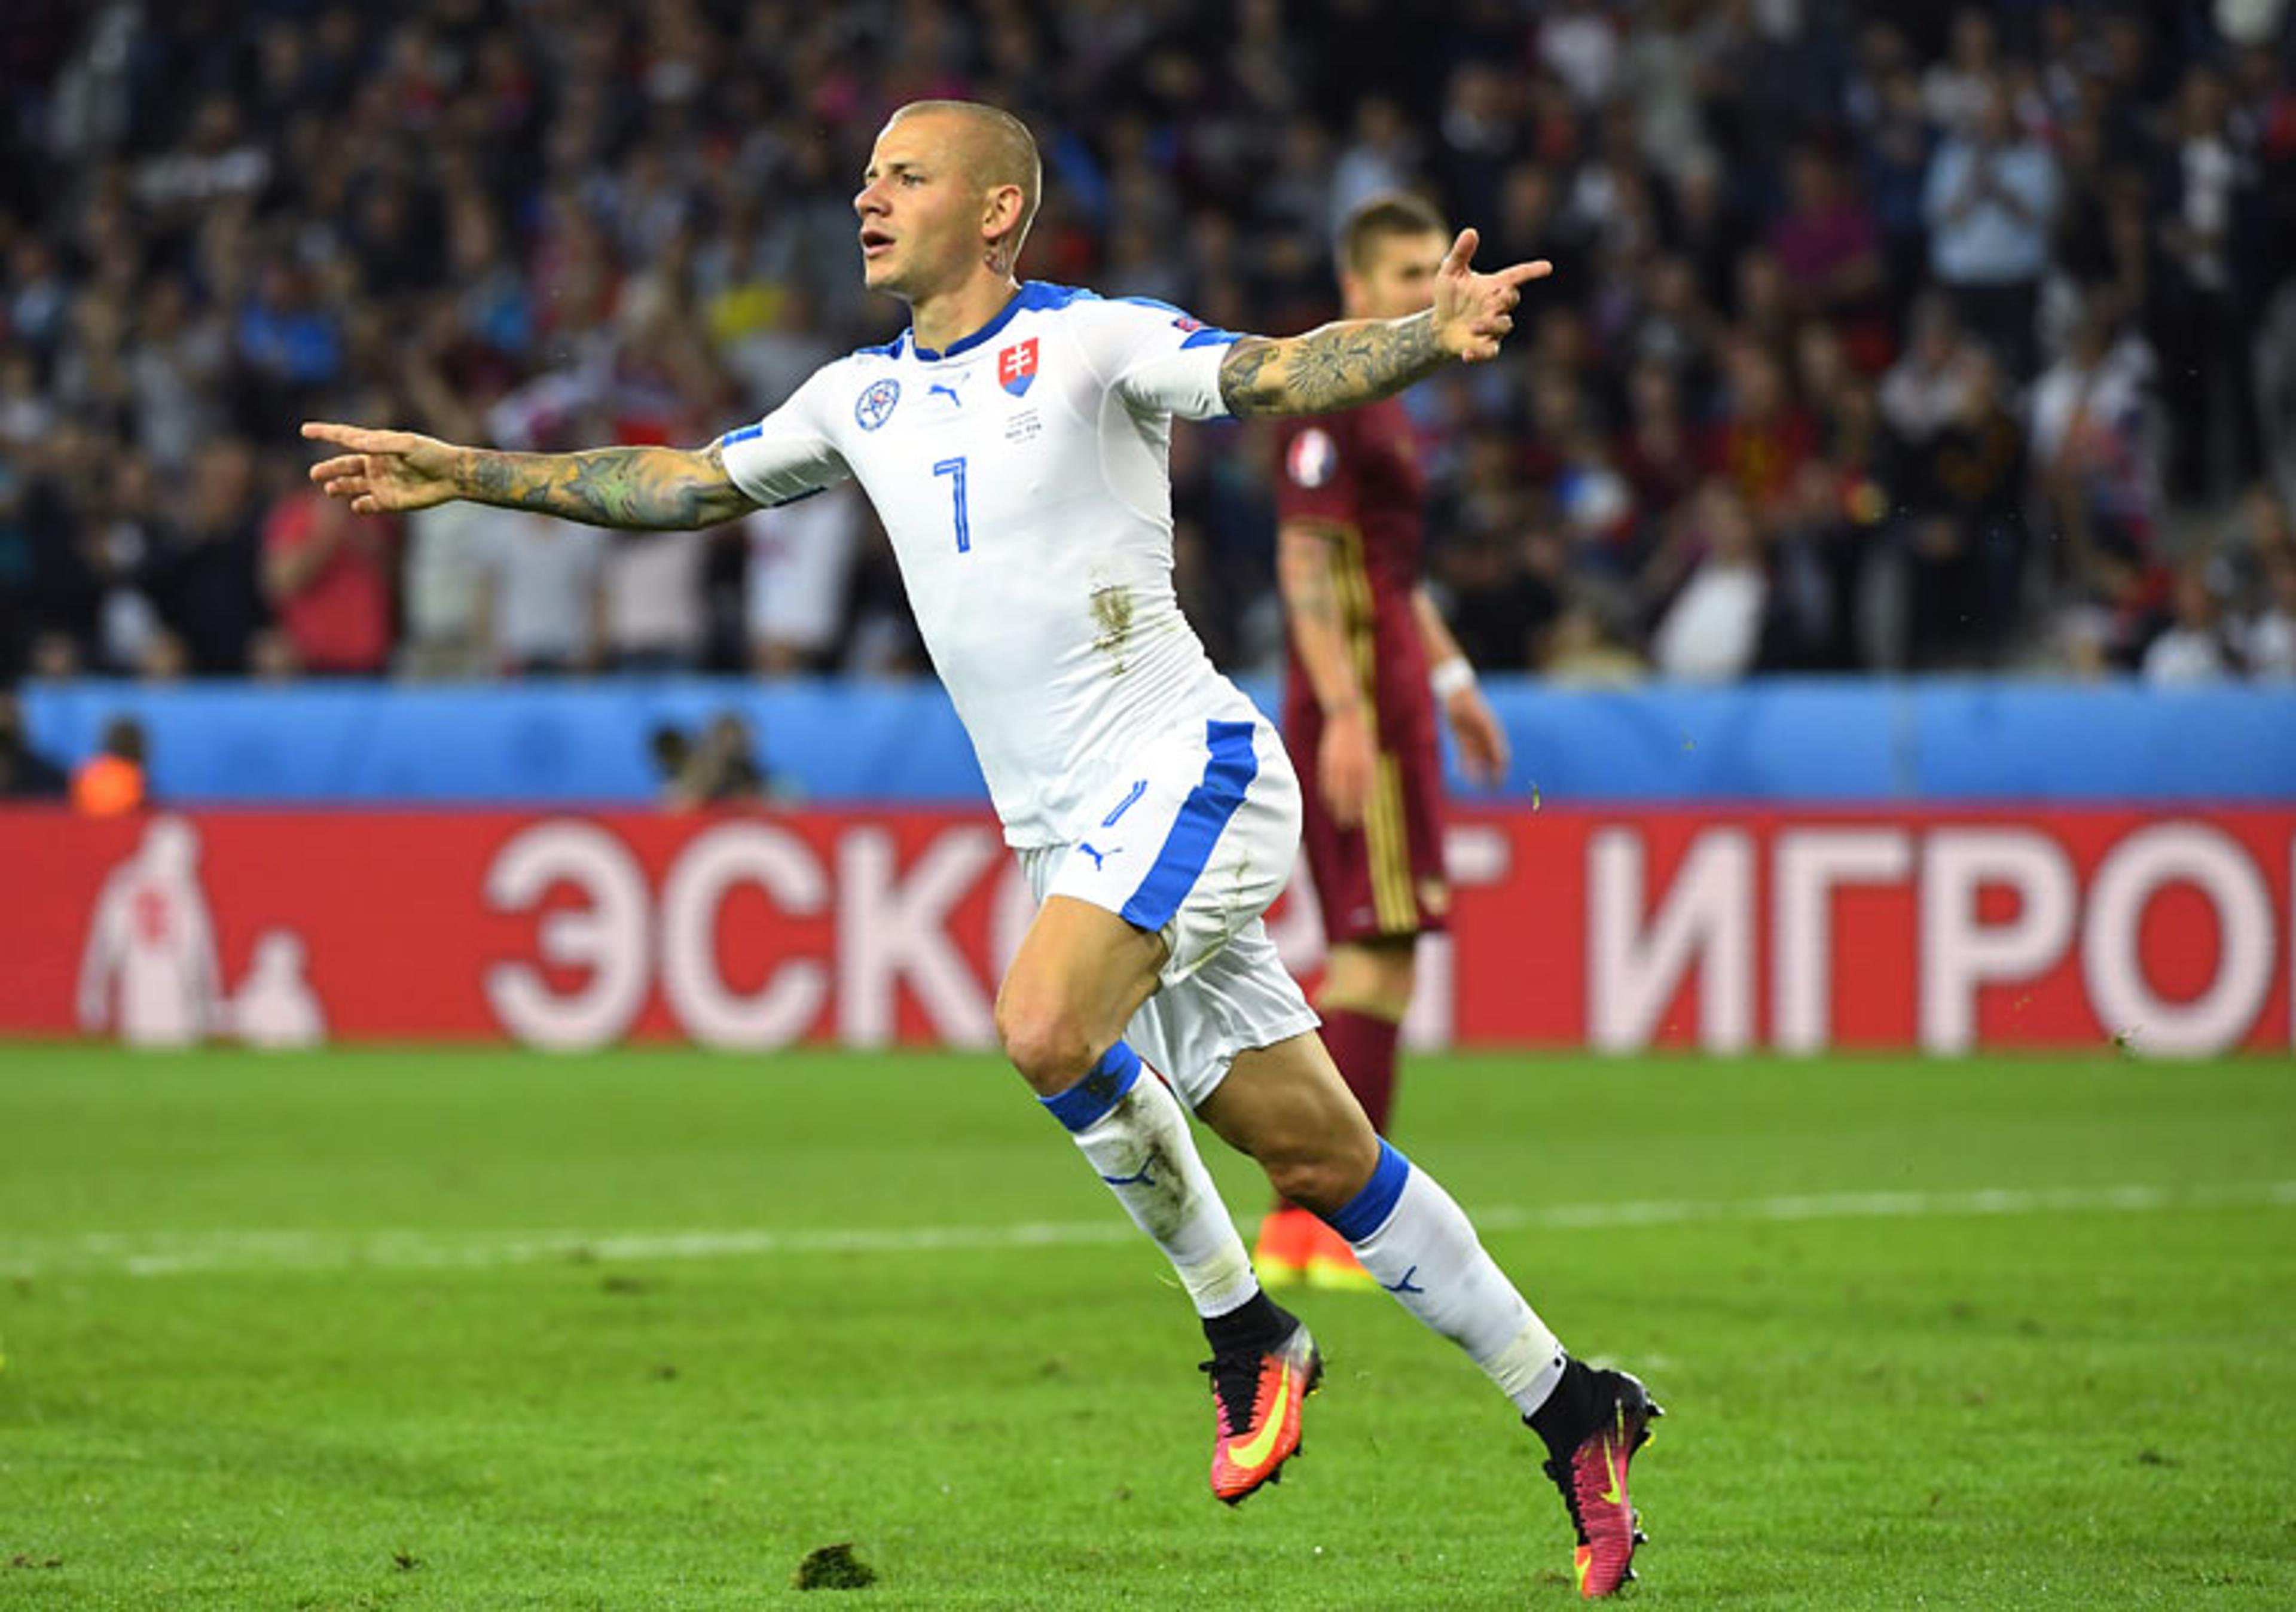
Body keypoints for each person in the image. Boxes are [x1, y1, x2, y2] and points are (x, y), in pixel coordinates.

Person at [304, 100, 1657, 1599]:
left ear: (999, 209)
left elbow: (1273, 374)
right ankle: (1573, 1404)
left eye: (906, 174)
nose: (868, 196)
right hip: (1069, 830)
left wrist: (1418, 335)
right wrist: (463, 468)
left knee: (1041, 1023)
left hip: (1186, 767)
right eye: (869, 171)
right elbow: (678, 480)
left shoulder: (1093, 343)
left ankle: (1249, 1330)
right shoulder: (854, 400)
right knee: (1320, 1150)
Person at [1254, 194, 1512, 1292]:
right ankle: (1316, 1225)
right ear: (1357, 290)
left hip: (1393, 688)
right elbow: (1306, 567)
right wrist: (1352, 716)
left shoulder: (1392, 405)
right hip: (1358, 698)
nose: (1426, 290)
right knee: (1376, 953)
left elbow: (1389, 574)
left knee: (1380, 954)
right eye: (1406, 275)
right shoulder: (1338, 398)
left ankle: (1307, 1227)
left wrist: (1450, 679)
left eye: (1432, 271)